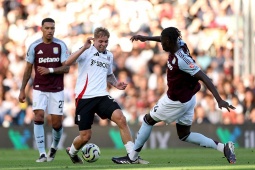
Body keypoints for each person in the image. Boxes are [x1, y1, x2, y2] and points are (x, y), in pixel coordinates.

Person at [112, 27, 236, 164]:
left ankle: (132, 157)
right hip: (189, 97)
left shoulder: (181, 59)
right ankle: (223, 148)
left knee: (148, 120)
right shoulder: (179, 43)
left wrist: (219, 100)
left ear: (169, 41)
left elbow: (204, 77)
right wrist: (146, 39)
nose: (162, 44)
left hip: (175, 101)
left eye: (164, 42)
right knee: (184, 134)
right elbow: (162, 38)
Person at [64, 27, 148, 164]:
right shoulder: (86, 50)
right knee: (85, 137)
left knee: (121, 118)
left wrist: (116, 84)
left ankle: (132, 156)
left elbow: (109, 74)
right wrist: (83, 48)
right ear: (94, 40)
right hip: (84, 97)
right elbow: (67, 62)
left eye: (106, 41)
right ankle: (72, 152)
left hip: (102, 95)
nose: (103, 44)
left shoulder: (109, 55)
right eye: (100, 41)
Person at [18, 18, 70, 162]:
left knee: (56, 124)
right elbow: (28, 69)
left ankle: (53, 148)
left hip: (57, 89)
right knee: (39, 116)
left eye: (52, 28)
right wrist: (22, 89)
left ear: (55, 29)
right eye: (47, 28)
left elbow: (67, 68)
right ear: (41, 29)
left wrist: (50, 70)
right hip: (39, 88)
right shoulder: (34, 46)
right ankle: (41, 153)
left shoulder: (60, 45)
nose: (50, 31)